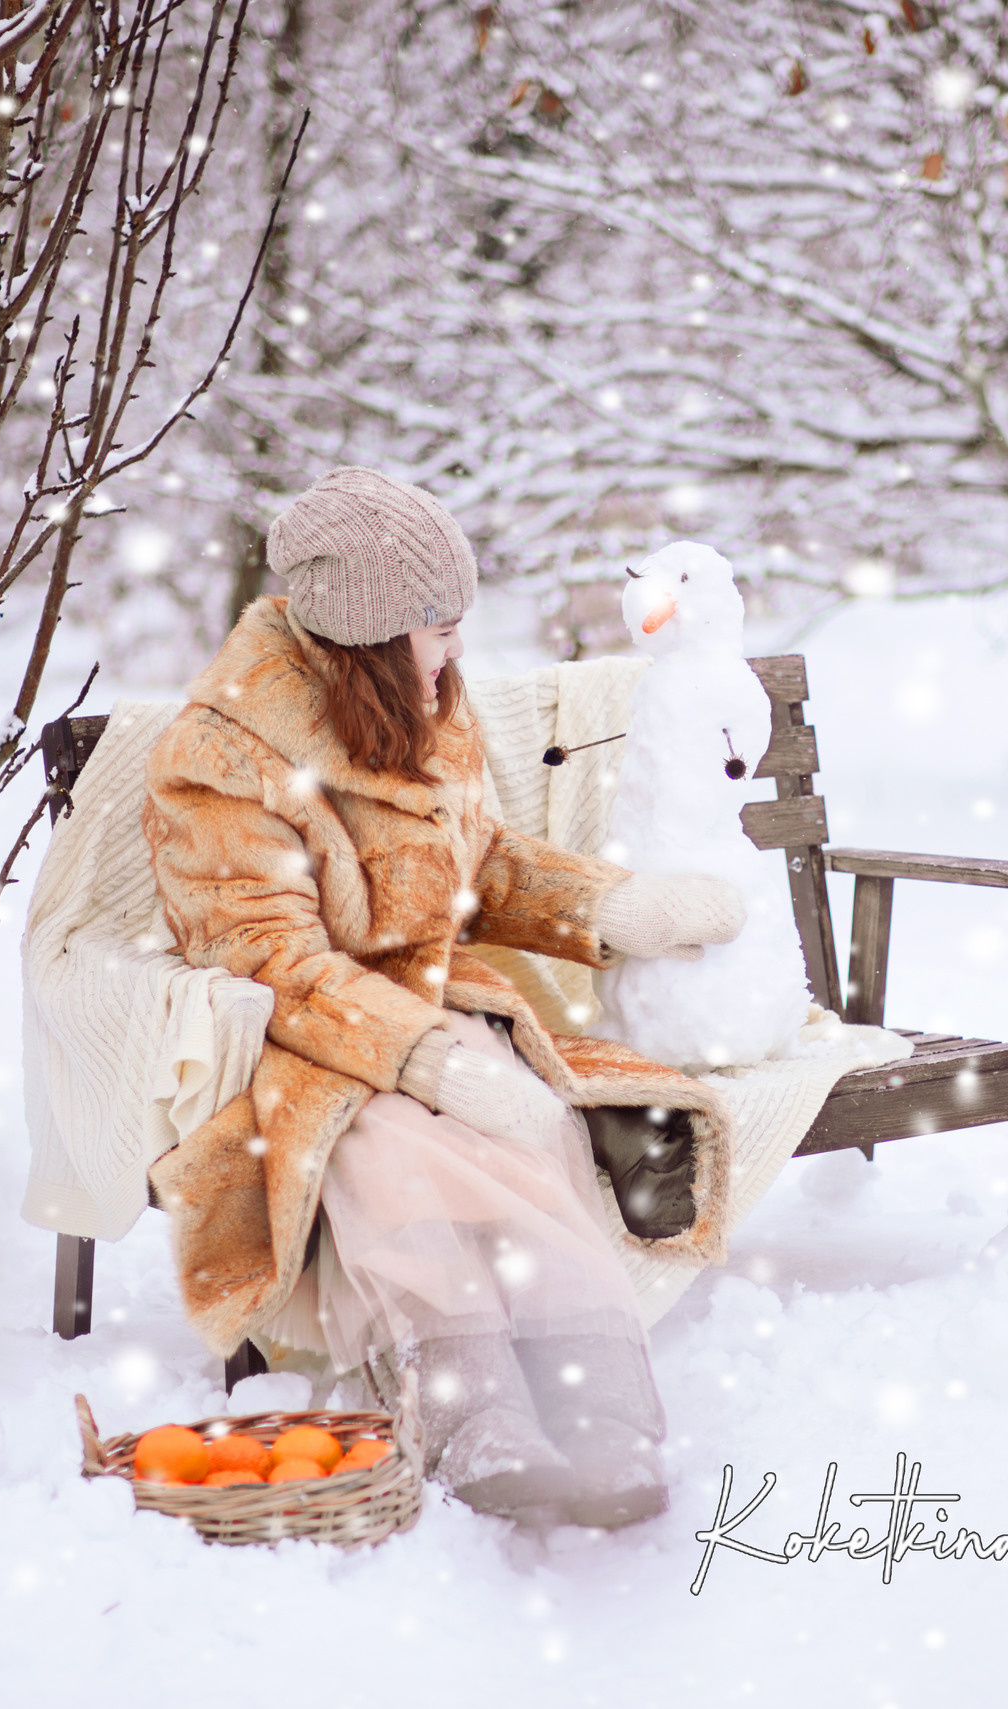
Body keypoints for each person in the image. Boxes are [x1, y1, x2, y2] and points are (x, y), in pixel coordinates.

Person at [139, 466, 746, 1530]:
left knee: (524, 1144)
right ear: (366, 633)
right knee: (395, 1153)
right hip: (315, 1038)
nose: (456, 651)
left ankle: (605, 1412)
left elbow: (478, 864)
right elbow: (265, 957)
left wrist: (613, 908)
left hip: (446, 1004)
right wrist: (426, 1059)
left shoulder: (424, 705)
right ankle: (475, 1416)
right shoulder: (224, 754)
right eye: (436, 628)